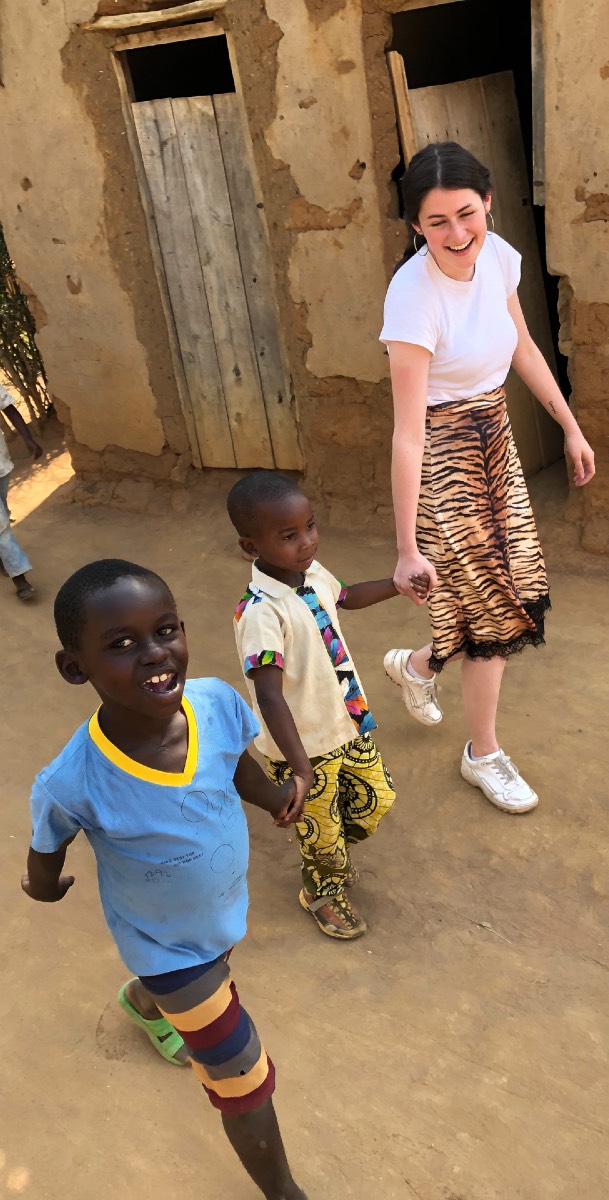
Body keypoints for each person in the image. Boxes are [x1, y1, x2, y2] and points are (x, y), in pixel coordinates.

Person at [21, 558, 309, 1200]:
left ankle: (144, 1004)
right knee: (240, 1071)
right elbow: (48, 846)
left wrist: (271, 797)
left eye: (166, 630)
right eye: (120, 645)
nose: (155, 655)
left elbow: (236, 764)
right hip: (167, 949)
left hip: (218, 914)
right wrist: (41, 885)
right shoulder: (73, 779)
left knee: (218, 954)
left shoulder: (214, 702)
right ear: (76, 668)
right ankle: (286, 1193)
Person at [380, 141, 595, 814]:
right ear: (415, 225)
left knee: (501, 594)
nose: (456, 234)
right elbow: (408, 432)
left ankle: (415, 667)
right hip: (444, 464)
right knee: (494, 613)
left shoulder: (498, 257)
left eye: (466, 214)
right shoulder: (411, 299)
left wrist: (568, 425)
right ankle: (483, 754)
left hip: (494, 443)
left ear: (487, 205)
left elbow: (523, 348)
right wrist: (406, 547)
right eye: (436, 222)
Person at [228, 471, 428, 940]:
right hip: (303, 747)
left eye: (311, 526)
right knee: (323, 835)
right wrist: (300, 769)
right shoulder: (259, 611)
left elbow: (346, 597)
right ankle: (321, 888)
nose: (307, 542)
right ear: (250, 546)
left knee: (377, 798)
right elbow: (269, 695)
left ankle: (326, 847)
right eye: (289, 536)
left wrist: (397, 585)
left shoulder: (311, 574)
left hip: (346, 722)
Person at [0, 381, 42, 599]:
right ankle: (21, 579)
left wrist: (28, 439)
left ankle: (2, 558)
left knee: (3, 513)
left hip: (1, 465)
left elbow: (8, 408)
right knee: (2, 526)